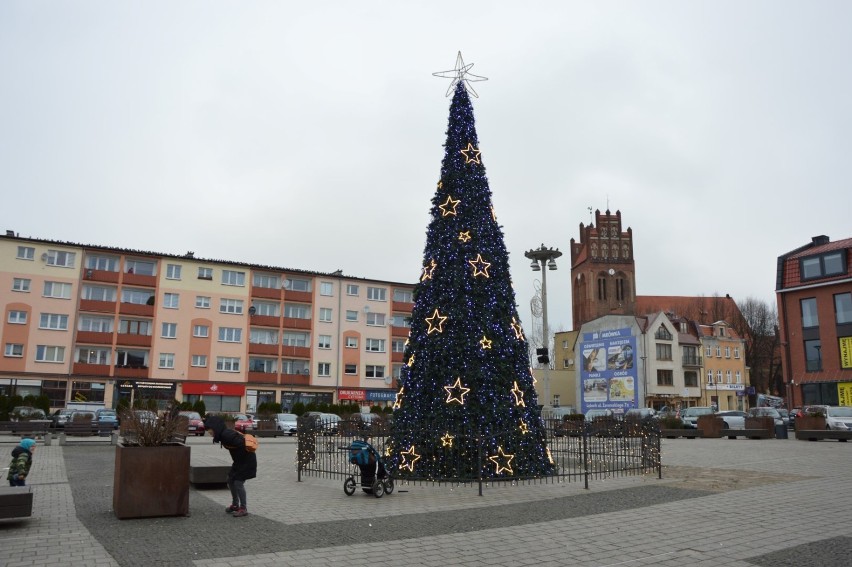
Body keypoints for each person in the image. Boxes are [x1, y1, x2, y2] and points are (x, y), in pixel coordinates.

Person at [203, 415, 256, 517]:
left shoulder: (227, 435)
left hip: (246, 461)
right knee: (230, 480)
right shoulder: (223, 434)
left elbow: (242, 444)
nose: (209, 433)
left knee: (238, 482)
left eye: (210, 431)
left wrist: (240, 464)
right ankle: (235, 505)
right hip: (239, 461)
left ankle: (243, 508)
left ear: (216, 428)